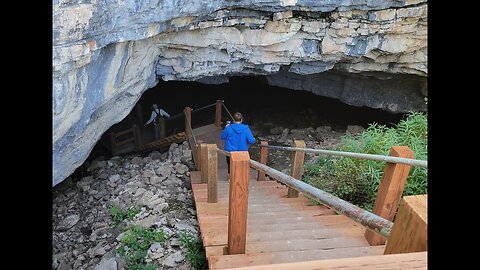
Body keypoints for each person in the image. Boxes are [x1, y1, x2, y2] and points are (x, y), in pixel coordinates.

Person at [220, 112, 255, 179]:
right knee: (241, 165)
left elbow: (222, 137)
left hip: (230, 151)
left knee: (230, 164)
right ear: (241, 120)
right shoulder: (246, 129)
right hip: (242, 151)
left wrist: (225, 128)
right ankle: (240, 178)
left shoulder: (228, 128)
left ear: (233, 120)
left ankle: (231, 178)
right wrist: (254, 139)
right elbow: (251, 141)